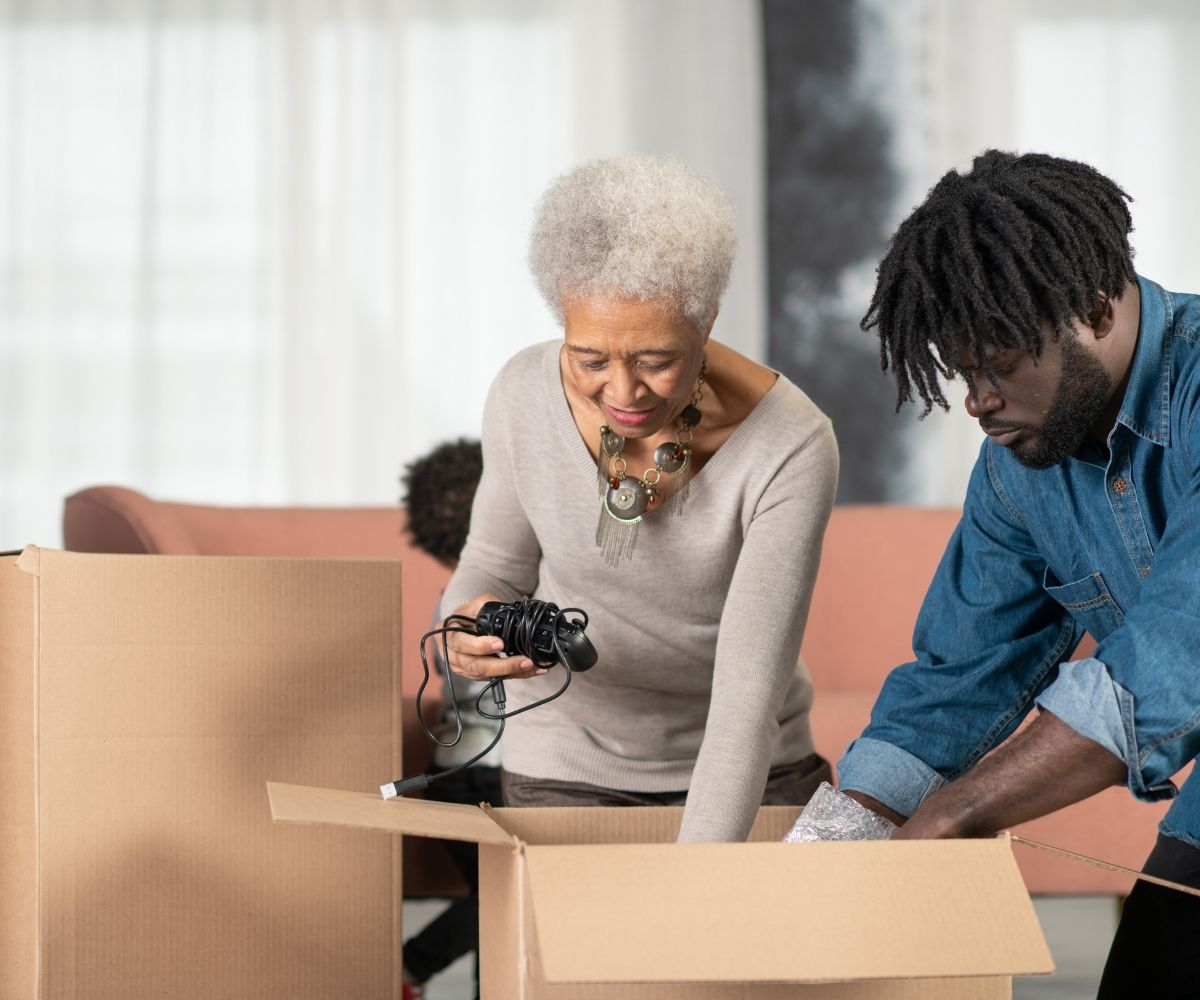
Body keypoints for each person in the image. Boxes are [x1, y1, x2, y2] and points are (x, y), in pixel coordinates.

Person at [836, 149, 1200, 997]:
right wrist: (839, 843)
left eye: (998, 363)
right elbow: (955, 680)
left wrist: (960, 812)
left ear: (1094, 308)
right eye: (963, 372)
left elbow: (1180, 648)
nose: (977, 400)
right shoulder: (1017, 467)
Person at [439, 153, 839, 843]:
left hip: (757, 769)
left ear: (706, 320)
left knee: (728, 949)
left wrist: (691, 885)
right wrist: (464, 630)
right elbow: (489, 569)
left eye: (657, 360)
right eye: (590, 358)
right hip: (566, 763)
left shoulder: (792, 444)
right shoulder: (521, 394)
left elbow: (746, 700)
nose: (623, 394)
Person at [398, 438, 499, 1000]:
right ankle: (409, 965)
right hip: (498, 774)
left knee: (496, 893)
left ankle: (409, 968)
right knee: (511, 893)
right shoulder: (509, 595)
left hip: (452, 771)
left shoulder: (449, 597)